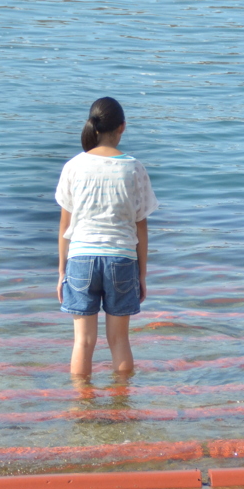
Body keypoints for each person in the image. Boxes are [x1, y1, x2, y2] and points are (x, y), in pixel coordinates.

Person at [55, 97, 158, 380]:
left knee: (83, 343)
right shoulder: (134, 167)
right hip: (121, 258)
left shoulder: (74, 166)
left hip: (81, 258)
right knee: (120, 342)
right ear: (122, 127)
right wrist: (142, 274)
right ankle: (121, 407)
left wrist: (62, 271)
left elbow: (66, 225)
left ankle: (81, 409)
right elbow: (141, 227)